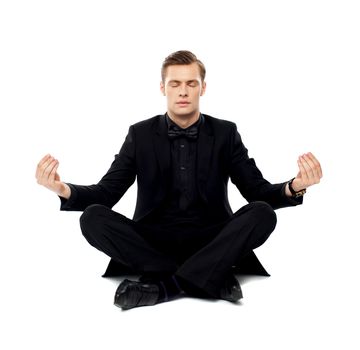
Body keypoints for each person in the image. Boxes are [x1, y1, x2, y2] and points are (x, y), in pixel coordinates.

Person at [36, 50, 322, 310]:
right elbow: (106, 193)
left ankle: (167, 286)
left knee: (262, 213)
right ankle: (207, 276)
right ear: (163, 88)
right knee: (92, 218)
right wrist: (62, 189)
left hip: (212, 237)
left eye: (191, 84)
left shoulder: (225, 133)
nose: (183, 91)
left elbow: (256, 191)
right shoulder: (140, 134)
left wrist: (294, 186)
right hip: (153, 240)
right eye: (175, 84)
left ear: (203, 88)